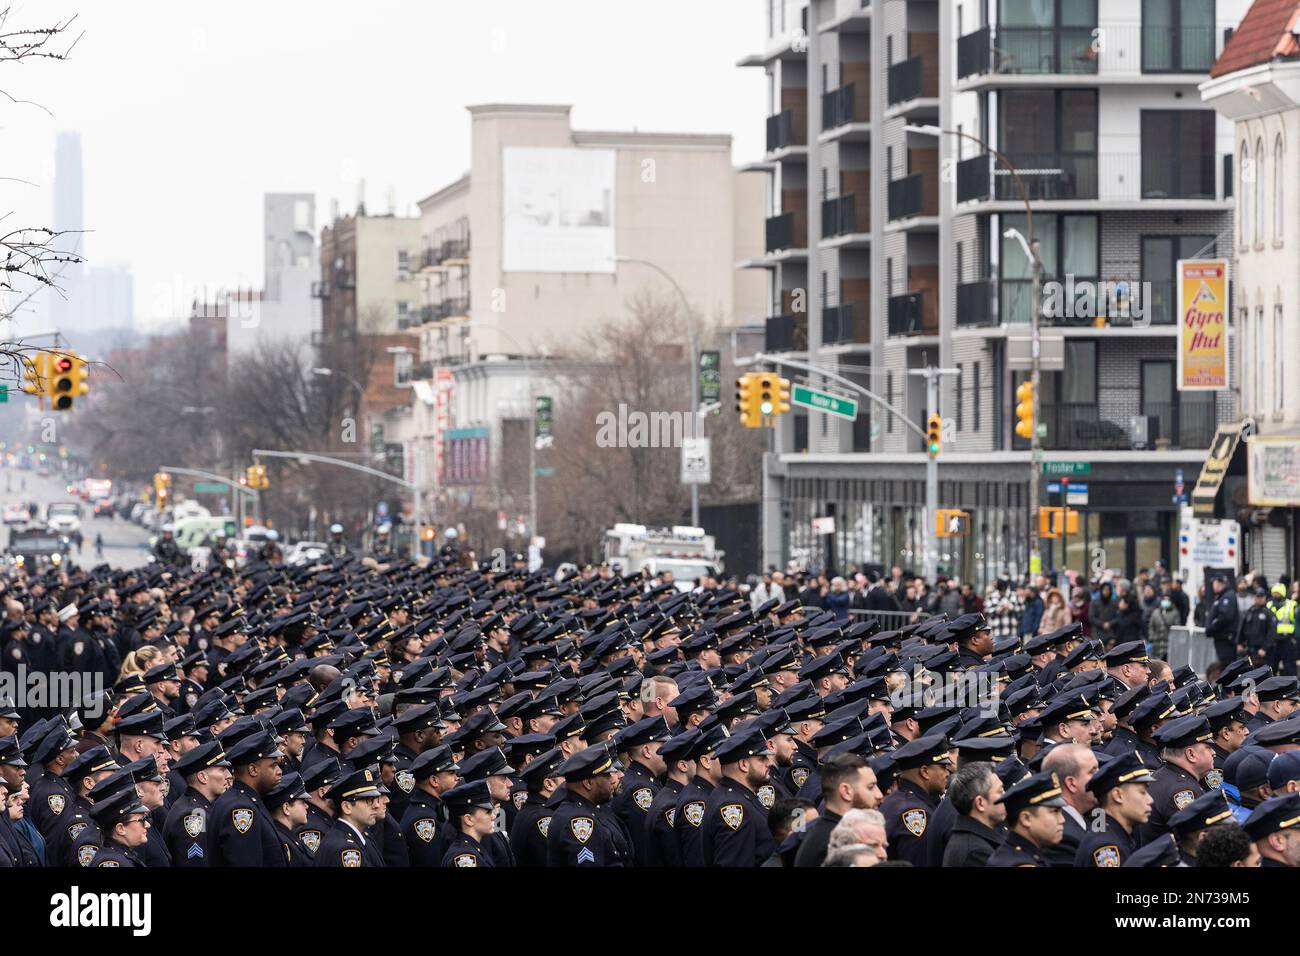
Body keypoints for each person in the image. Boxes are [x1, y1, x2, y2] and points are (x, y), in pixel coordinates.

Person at [701, 727, 777, 867]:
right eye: (762, 758)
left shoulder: (737, 795)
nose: (770, 762)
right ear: (743, 765)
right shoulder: (734, 807)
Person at [208, 731, 285, 867]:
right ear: (253, 770)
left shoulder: (246, 800)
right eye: (273, 766)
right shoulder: (240, 809)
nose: (279, 771)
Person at [546, 744, 630, 867]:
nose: (612, 780)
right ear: (588, 783)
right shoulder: (580, 821)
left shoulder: (585, 809)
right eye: (607, 775)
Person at [794, 753, 881, 867]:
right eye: (870, 787)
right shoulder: (831, 843)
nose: (879, 795)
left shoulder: (841, 831)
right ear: (846, 791)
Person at [880, 734, 952, 866]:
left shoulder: (897, 800)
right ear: (925, 772)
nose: (947, 773)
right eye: (943, 767)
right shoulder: (914, 813)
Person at [1075, 751, 1156, 866]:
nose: (1150, 800)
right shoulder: (1107, 848)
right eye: (1142, 792)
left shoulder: (1114, 835)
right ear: (1117, 795)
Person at [986, 769, 1065, 867]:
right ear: (1026, 819)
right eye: (1055, 812)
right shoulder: (1020, 863)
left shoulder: (1018, 855)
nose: (1062, 820)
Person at [316, 766, 384, 867]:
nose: (376, 805)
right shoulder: (346, 850)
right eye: (368, 800)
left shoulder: (345, 837)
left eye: (375, 799)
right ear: (347, 807)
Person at [941, 762, 1006, 867]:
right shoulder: (976, 853)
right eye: (1000, 791)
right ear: (980, 803)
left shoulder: (971, 841)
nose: (1005, 796)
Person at [1205, 575, 1241, 665]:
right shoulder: (1222, 596)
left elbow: (1225, 616)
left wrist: (1213, 625)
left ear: (1220, 583)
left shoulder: (1227, 596)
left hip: (1225, 639)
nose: (1213, 586)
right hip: (1222, 638)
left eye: (1214, 583)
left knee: (1226, 665)